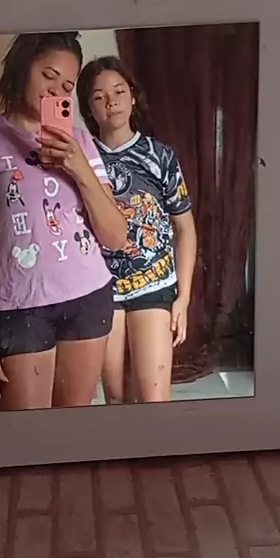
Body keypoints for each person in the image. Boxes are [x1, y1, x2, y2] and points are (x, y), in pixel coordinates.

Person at [0, 33, 127, 411]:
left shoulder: (80, 142)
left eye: (67, 87)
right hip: (16, 308)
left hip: (88, 298)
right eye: (48, 76)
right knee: (23, 439)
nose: (56, 91)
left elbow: (115, 236)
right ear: (21, 67)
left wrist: (78, 167)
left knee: (71, 433)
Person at [77, 55, 197, 403]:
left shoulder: (160, 156)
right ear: (88, 107)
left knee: (154, 398)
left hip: (155, 284)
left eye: (118, 91)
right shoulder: (80, 157)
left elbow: (185, 230)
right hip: (102, 289)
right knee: (116, 398)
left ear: (132, 95)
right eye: (98, 96)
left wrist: (183, 299)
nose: (111, 102)